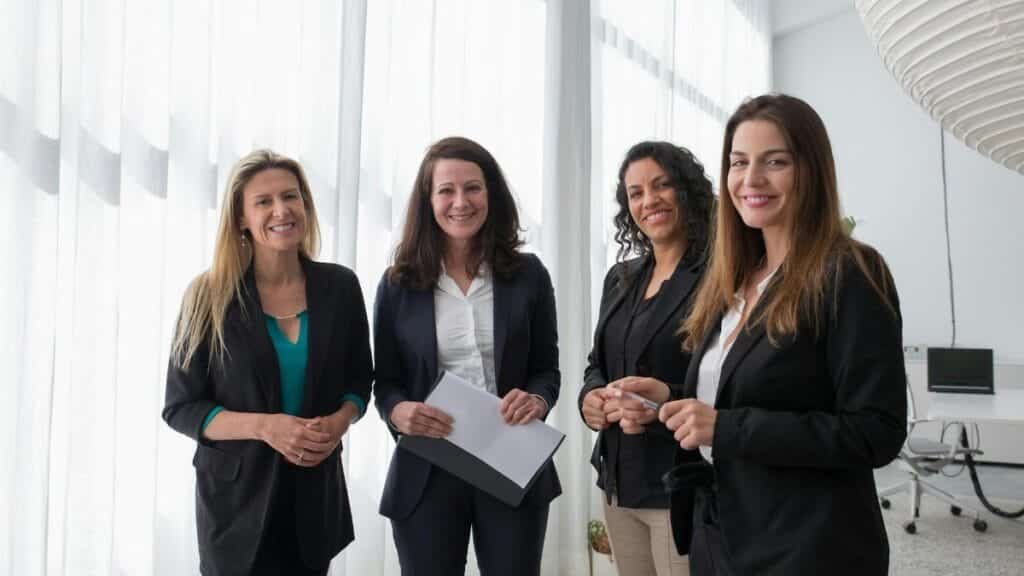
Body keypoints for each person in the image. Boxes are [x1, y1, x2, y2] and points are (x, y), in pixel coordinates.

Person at [618, 94, 907, 575]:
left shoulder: (850, 272)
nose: (750, 180)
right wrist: (669, 398)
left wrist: (726, 428)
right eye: (738, 162)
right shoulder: (734, 278)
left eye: (775, 162)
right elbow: (747, 391)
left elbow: (876, 432)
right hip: (722, 534)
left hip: (806, 546)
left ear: (810, 169)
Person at [162, 150, 372, 576]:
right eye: (264, 201)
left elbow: (358, 380)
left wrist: (341, 420)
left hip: (313, 499)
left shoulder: (341, 287)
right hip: (235, 506)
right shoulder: (207, 296)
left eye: (291, 196)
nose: (282, 210)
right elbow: (181, 408)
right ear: (241, 218)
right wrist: (265, 426)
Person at [373, 136, 561, 576]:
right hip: (428, 466)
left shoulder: (528, 275)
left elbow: (545, 370)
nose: (461, 202)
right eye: (446, 190)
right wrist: (398, 411)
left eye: (473, 187)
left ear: (491, 194)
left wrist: (538, 400)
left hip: (511, 455)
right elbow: (385, 380)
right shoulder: (398, 283)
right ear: (428, 200)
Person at [578, 141, 714, 576]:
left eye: (661, 185)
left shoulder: (719, 274)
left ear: (686, 191)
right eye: (635, 193)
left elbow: (729, 375)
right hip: (618, 478)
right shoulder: (620, 279)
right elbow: (596, 363)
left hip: (678, 480)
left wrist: (667, 397)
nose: (648, 200)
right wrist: (592, 397)